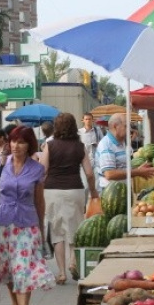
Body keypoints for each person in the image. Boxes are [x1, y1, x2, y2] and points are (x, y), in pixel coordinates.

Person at [0, 126, 55, 305]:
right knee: (6, 268)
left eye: (21, 142)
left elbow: (39, 201)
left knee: (23, 269)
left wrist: (41, 227)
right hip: (3, 223)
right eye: (13, 141)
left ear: (29, 145)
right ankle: (14, 304)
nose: (16, 146)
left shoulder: (36, 169)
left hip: (27, 224)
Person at [40, 113, 97, 285]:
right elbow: (89, 173)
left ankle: (61, 272)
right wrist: (93, 191)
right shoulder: (80, 146)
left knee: (57, 232)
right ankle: (73, 262)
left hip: (52, 191)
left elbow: (43, 170)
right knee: (75, 228)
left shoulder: (49, 145)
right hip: (75, 189)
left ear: (56, 127)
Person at [96, 113, 154, 191]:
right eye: (126, 126)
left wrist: (138, 169)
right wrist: (137, 172)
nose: (129, 130)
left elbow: (122, 168)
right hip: (112, 192)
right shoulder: (106, 145)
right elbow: (109, 174)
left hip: (123, 190)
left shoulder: (122, 143)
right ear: (115, 126)